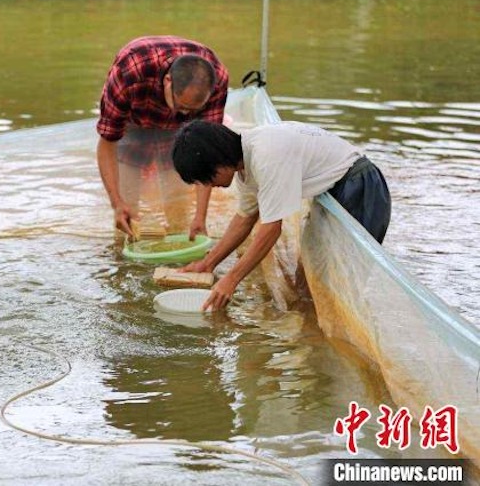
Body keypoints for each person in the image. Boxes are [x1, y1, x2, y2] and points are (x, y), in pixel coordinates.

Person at [172, 120, 391, 311]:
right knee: (308, 278)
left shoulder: (266, 156)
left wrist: (231, 279)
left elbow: (271, 229)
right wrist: (208, 264)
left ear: (218, 161)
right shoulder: (246, 166)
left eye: (207, 178)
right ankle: (310, 337)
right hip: (334, 191)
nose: (210, 186)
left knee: (340, 283)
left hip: (360, 188)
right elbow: (244, 219)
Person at [96, 35, 229, 239]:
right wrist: (117, 203)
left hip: (180, 131)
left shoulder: (217, 79)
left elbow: (207, 151)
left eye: (192, 110)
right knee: (127, 203)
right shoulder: (129, 71)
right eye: (181, 106)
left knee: (177, 202)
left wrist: (200, 217)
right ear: (168, 81)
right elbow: (107, 141)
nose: (185, 112)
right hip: (135, 121)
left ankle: (178, 239)